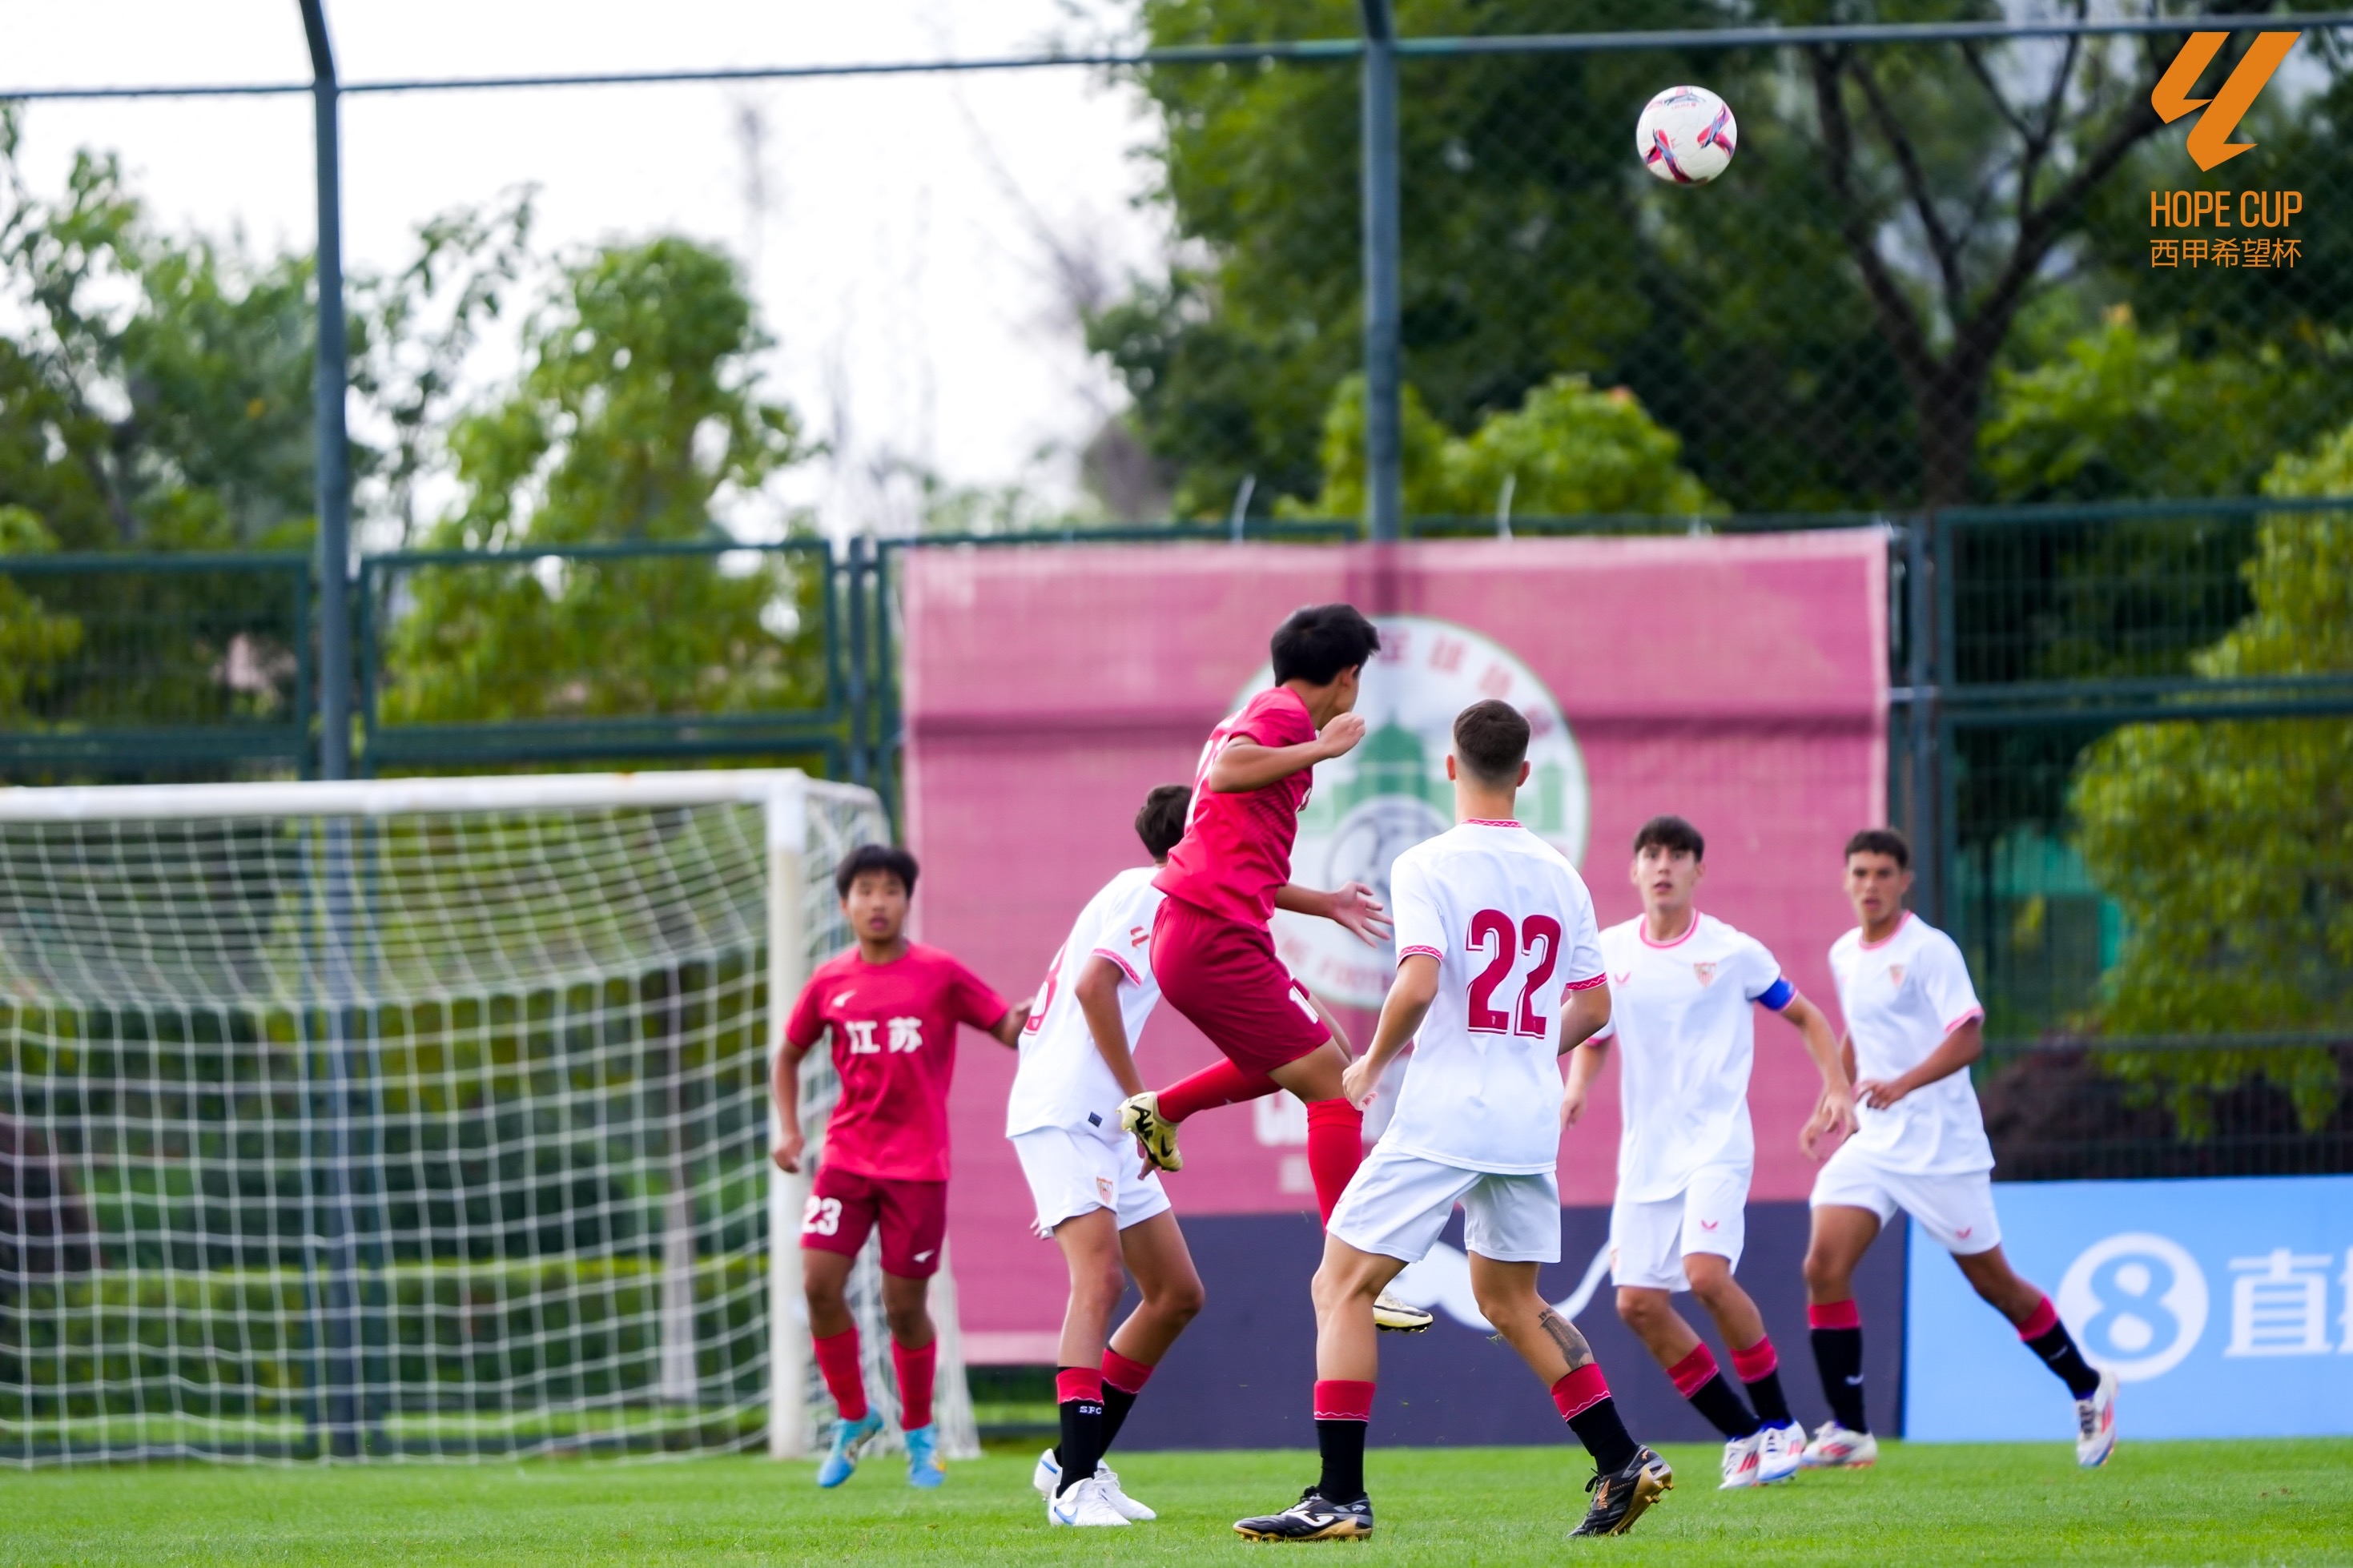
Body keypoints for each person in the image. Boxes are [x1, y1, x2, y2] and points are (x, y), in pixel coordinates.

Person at [1233, 700, 1673, 1544]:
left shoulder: (1427, 862)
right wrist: (1522, 1048)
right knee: (1510, 1297)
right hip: (1523, 1116)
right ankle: (1620, 1458)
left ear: (1449, 767)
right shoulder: (1560, 873)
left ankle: (1338, 1497)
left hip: (1446, 1110)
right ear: (1525, 774)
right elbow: (1594, 1002)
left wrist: (1369, 1061)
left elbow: (1420, 980)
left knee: (1341, 1284)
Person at [1117, 602, 1431, 1333]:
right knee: (1337, 1093)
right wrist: (1321, 750)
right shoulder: (1285, 717)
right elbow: (1228, 773)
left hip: (1205, 931)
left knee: (1334, 1065)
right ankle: (1354, 1272)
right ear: (1348, 677)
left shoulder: (1266, 713)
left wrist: (1320, 903)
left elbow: (1226, 841)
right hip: (1214, 938)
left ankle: (1165, 1108)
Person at [1798, 827, 2118, 1470]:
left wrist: (1903, 1084)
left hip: (1943, 1149)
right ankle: (1851, 1431)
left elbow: (1968, 1039)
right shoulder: (1844, 954)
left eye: (1883, 873)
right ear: (1846, 879)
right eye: (1860, 873)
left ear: (1904, 880)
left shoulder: (1930, 951)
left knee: (1994, 1284)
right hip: (1875, 1142)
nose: (1870, 885)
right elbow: (1860, 1029)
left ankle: (2089, 1386)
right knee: (1822, 1269)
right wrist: (1834, 1097)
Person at [1563, 814, 1856, 1491]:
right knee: (1636, 1303)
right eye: (1651, 855)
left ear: (1699, 871)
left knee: (1703, 1275)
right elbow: (1596, 1033)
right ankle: (1744, 1435)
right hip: (1645, 1158)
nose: (1663, 866)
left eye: (1678, 856)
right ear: (1634, 870)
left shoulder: (1732, 952)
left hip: (1717, 1146)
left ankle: (1781, 1424)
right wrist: (1577, 1088)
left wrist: (1836, 1085)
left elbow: (1806, 1015)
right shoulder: (1611, 951)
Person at [773, 843, 1030, 1490]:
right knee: (817, 1286)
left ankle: (920, 1435)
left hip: (918, 1171)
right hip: (845, 1163)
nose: (878, 901)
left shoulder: (940, 974)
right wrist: (787, 1129)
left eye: (890, 889)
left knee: (903, 1309)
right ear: (844, 904)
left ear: (907, 901)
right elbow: (786, 1056)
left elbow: (1005, 1027)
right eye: (865, 890)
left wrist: (1041, 1013)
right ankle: (856, 1418)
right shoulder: (829, 980)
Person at [1005, 785, 1208, 1528]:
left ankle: (1069, 1458)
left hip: (1096, 1120)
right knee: (1098, 1280)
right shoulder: (1150, 891)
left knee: (1176, 1294)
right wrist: (1141, 1102)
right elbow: (1092, 986)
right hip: (1077, 1113)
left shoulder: (1166, 895)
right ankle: (1074, 1488)